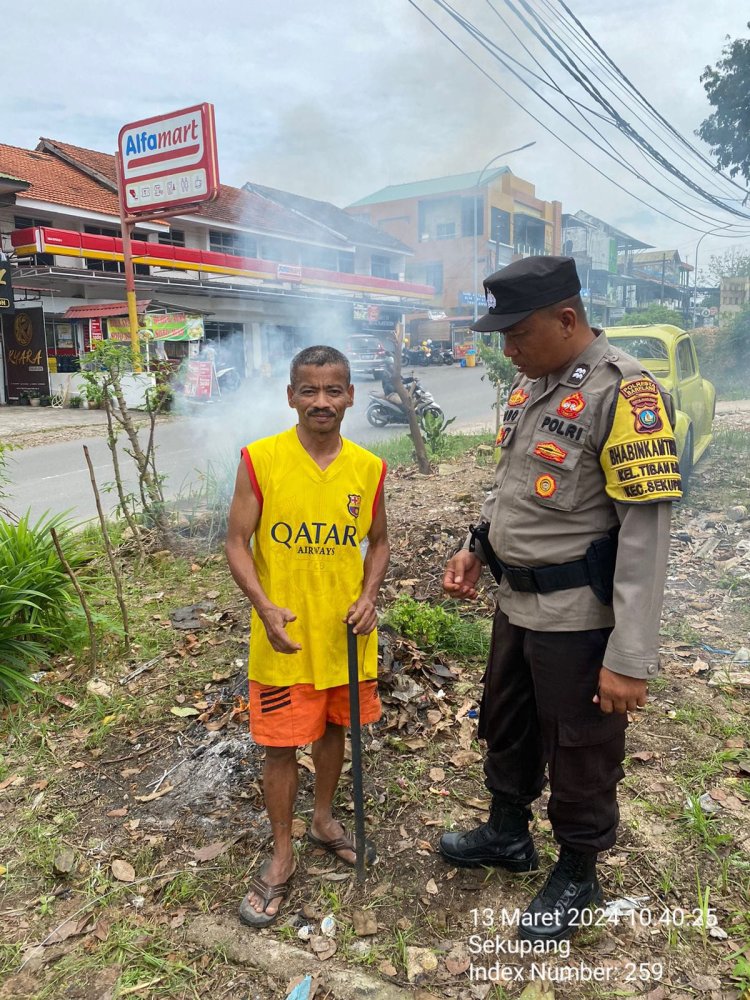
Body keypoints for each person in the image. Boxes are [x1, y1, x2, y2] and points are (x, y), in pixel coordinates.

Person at [439, 256, 681, 943]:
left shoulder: (624, 392)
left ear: (566, 318)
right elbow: (513, 486)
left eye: (516, 334)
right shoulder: (534, 386)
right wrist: (475, 545)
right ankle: (508, 834)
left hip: (579, 615)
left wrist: (629, 656)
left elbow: (645, 533)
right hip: (516, 603)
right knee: (507, 721)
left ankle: (578, 871)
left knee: (581, 745)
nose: (505, 349)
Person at [225, 345, 390, 927]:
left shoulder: (368, 468)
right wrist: (265, 607)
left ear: (350, 395)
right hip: (283, 637)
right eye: (309, 390)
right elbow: (235, 542)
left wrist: (370, 596)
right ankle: (283, 851)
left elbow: (381, 541)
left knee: (334, 730)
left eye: (334, 390)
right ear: (291, 395)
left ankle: (322, 820)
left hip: (346, 634)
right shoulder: (261, 459)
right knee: (279, 743)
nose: (322, 401)